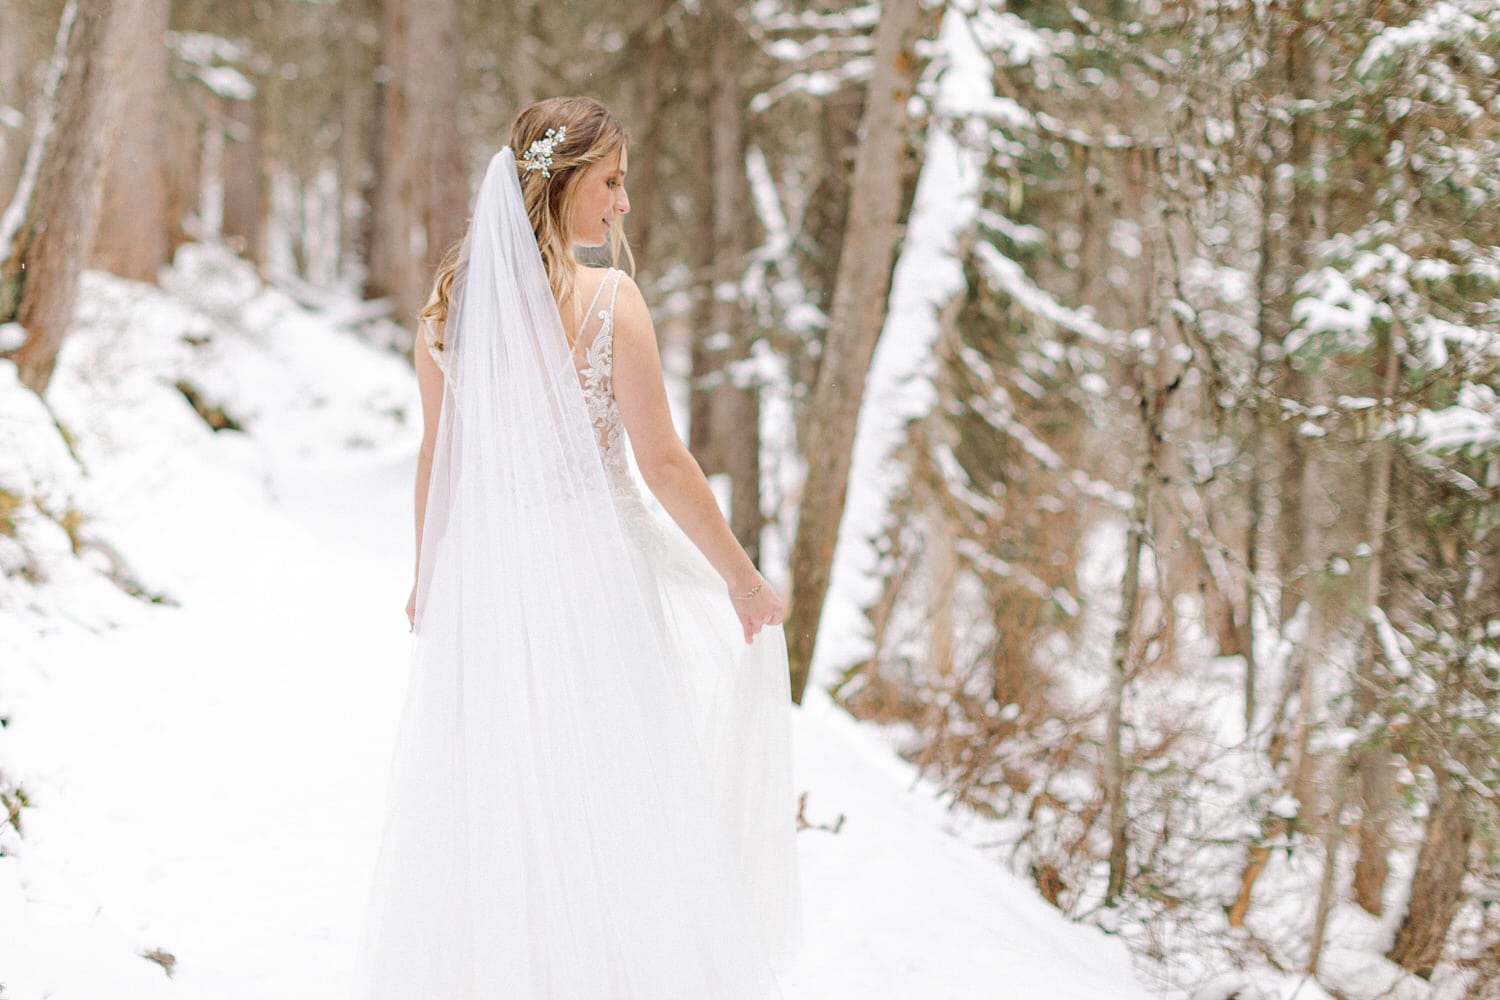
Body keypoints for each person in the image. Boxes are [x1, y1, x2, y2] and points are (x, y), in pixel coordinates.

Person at [353, 96, 803, 999]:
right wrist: (746, 582)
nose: (623, 205)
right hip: (599, 585)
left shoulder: (445, 318)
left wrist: (429, 578)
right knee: (613, 796)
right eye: (612, 182)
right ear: (561, 187)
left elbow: (441, 460)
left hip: (495, 584)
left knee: (511, 798)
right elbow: (665, 462)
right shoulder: (610, 303)